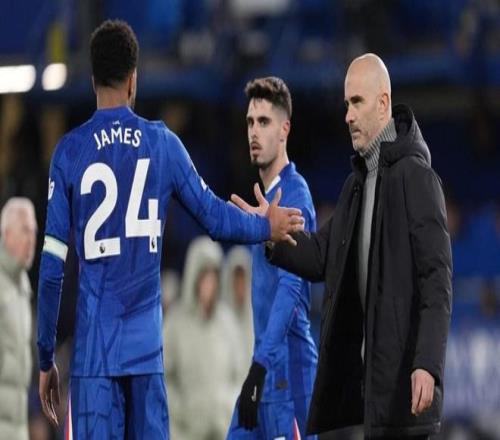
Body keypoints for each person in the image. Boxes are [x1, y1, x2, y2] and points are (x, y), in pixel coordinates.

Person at [36, 20, 305, 440]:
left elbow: (53, 267)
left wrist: (45, 355)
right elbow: (214, 217)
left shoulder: (69, 152)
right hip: (146, 356)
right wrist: (264, 225)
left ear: (92, 80)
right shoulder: (162, 144)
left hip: (94, 363)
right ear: (134, 80)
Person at [232, 54, 452, 439]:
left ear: (383, 103)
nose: (347, 115)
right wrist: (270, 234)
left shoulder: (416, 178)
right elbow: (320, 255)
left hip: (406, 384)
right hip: (375, 389)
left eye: (357, 102)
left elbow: (437, 280)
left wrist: (427, 365)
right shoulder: (356, 185)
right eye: (346, 104)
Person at [227, 77, 318, 440]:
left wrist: (260, 366)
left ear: (284, 129)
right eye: (250, 121)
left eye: (264, 121)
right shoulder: (267, 200)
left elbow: (291, 290)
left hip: (288, 376)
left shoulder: (294, 195)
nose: (254, 131)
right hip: (264, 367)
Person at [164, 236, 242, 440]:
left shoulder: (227, 323)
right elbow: (164, 377)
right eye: (204, 276)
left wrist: (226, 406)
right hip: (184, 432)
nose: (209, 284)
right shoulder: (175, 323)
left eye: (214, 276)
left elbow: (239, 375)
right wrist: (181, 410)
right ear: (194, 276)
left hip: (222, 430)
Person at [0, 197, 37, 440]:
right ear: (6, 234)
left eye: (34, 231)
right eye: (25, 230)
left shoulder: (23, 285)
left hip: (17, 427)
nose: (31, 239)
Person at [221, 245, 254, 371]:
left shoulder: (257, 319)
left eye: (243, 280)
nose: (240, 286)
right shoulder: (220, 319)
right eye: (236, 280)